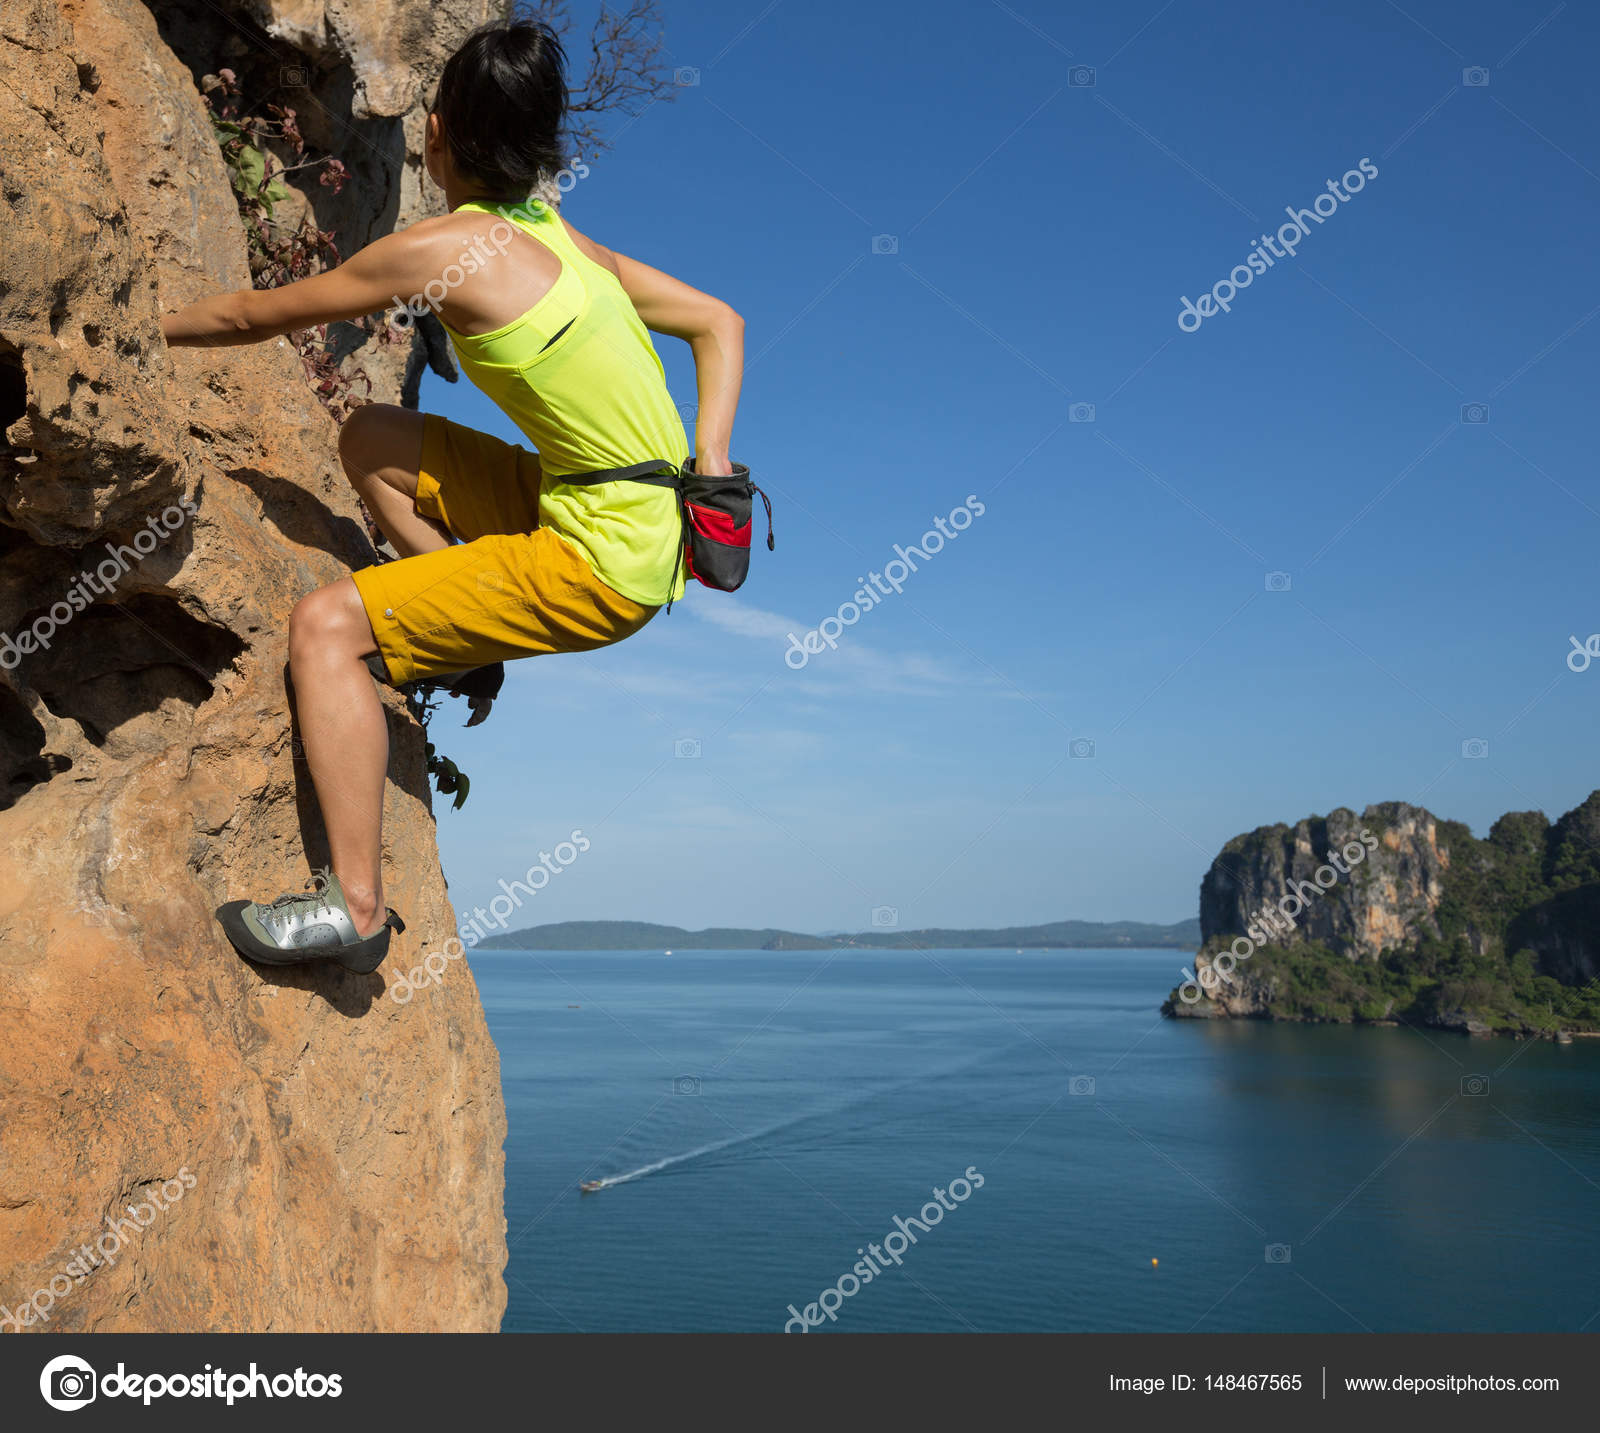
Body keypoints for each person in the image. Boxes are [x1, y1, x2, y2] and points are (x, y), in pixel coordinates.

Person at [161, 14, 744, 972]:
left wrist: (142, 330)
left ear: (435, 134)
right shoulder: (562, 237)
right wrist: (711, 459)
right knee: (372, 440)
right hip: (615, 507)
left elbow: (248, 313)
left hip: (601, 562)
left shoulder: (440, 250)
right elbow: (719, 321)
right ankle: (465, 649)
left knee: (325, 631)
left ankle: (353, 911)